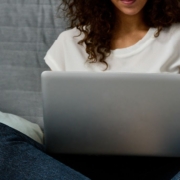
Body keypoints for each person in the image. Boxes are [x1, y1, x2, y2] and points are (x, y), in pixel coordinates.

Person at [43, 0, 180, 179]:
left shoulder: (176, 38)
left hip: (162, 166)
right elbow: (57, 121)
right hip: (80, 167)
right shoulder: (69, 42)